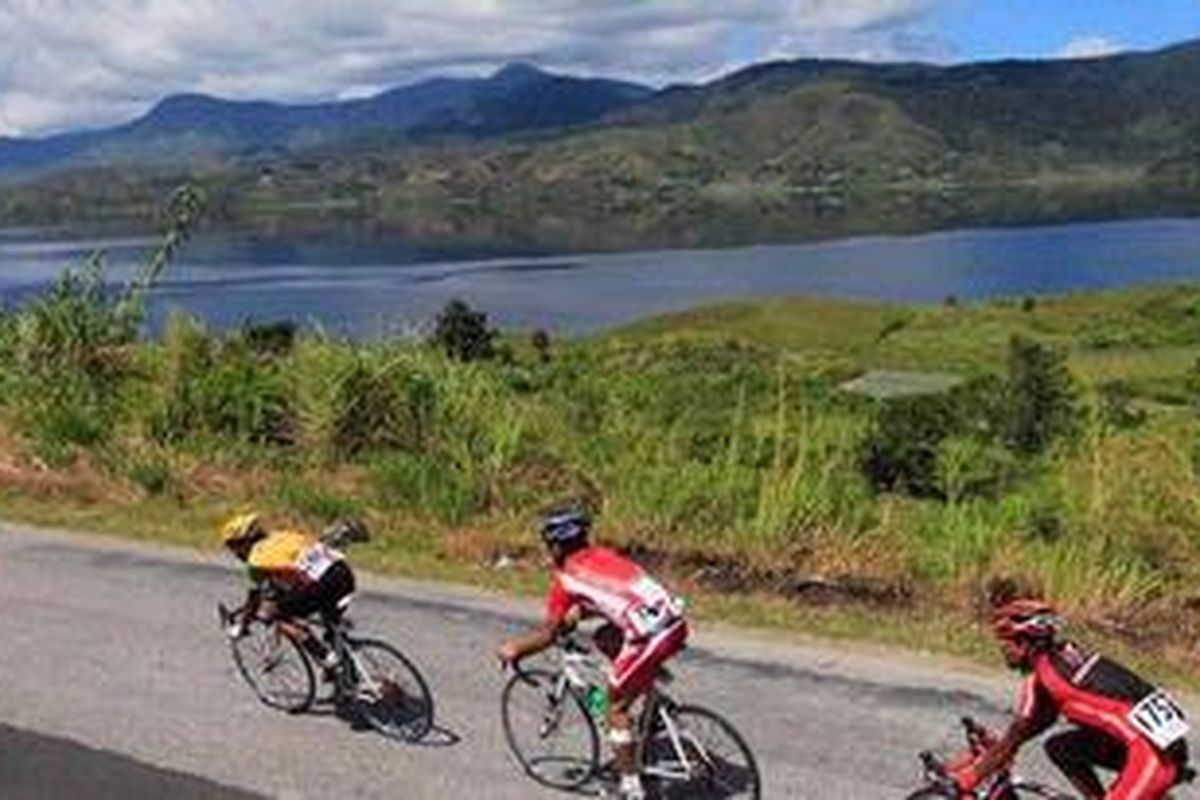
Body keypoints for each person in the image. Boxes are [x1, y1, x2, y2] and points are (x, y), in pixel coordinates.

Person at [497, 508, 689, 800]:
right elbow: (611, 594)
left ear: (557, 546)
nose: (548, 551)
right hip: (673, 622)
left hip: (649, 637)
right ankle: (652, 696)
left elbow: (549, 634)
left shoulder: (566, 579)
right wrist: (579, 613)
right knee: (605, 637)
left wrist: (515, 649)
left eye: (548, 545)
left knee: (615, 708)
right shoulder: (603, 555)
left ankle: (631, 788)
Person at [948, 595, 1191, 799]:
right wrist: (1000, 750)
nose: (1004, 650)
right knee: (1061, 747)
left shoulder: (1047, 677)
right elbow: (1026, 731)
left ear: (1024, 643)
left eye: (1007, 643)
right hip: (1163, 743)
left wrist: (964, 781)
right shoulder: (1067, 655)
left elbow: (1013, 739)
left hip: (1153, 755)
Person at [219, 512, 357, 670]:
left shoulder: (256, 560)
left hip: (325, 583)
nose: (235, 554)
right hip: (343, 573)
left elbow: (255, 597)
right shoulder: (280, 536)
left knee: (278, 614)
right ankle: (348, 675)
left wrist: (242, 626)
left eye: (234, 548)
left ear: (243, 543)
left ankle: (325, 657)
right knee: (329, 624)